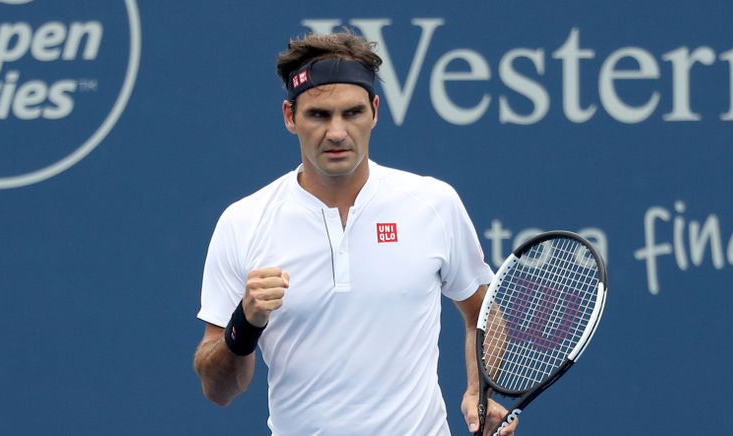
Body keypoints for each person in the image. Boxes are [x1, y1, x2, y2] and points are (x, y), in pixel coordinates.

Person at [193, 31, 518, 436]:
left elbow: (483, 315)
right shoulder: (244, 222)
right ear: (289, 117)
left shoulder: (434, 204)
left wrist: (478, 391)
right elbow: (219, 389)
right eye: (318, 115)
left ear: (375, 112)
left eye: (352, 113)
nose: (336, 132)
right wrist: (245, 323)